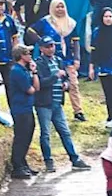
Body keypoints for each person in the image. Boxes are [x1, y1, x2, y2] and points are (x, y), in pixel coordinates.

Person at [33, 36, 89, 171]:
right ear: (41, 49)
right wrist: (55, 76)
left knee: (65, 132)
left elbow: (66, 79)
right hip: (44, 104)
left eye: (52, 46)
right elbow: (40, 83)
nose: (51, 49)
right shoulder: (38, 63)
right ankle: (48, 161)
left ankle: (74, 159)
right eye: (47, 46)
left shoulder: (58, 61)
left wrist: (66, 84)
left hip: (57, 103)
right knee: (45, 133)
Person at [27, 0, 81, 119]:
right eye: (57, 6)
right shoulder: (46, 21)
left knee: (73, 84)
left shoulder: (71, 23)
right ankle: (50, 109)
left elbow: (76, 41)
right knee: (50, 83)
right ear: (52, 8)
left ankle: (78, 111)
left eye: (62, 6)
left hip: (67, 59)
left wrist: (77, 58)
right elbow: (30, 31)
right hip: (49, 59)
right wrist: (41, 42)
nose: (60, 9)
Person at [7, 44, 39, 178]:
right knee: (21, 136)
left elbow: (36, 87)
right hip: (20, 109)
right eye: (27, 53)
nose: (30, 55)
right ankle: (17, 166)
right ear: (21, 56)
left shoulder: (25, 70)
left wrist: (34, 72)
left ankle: (23, 162)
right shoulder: (17, 71)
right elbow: (30, 89)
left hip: (27, 107)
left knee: (28, 134)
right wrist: (32, 84)